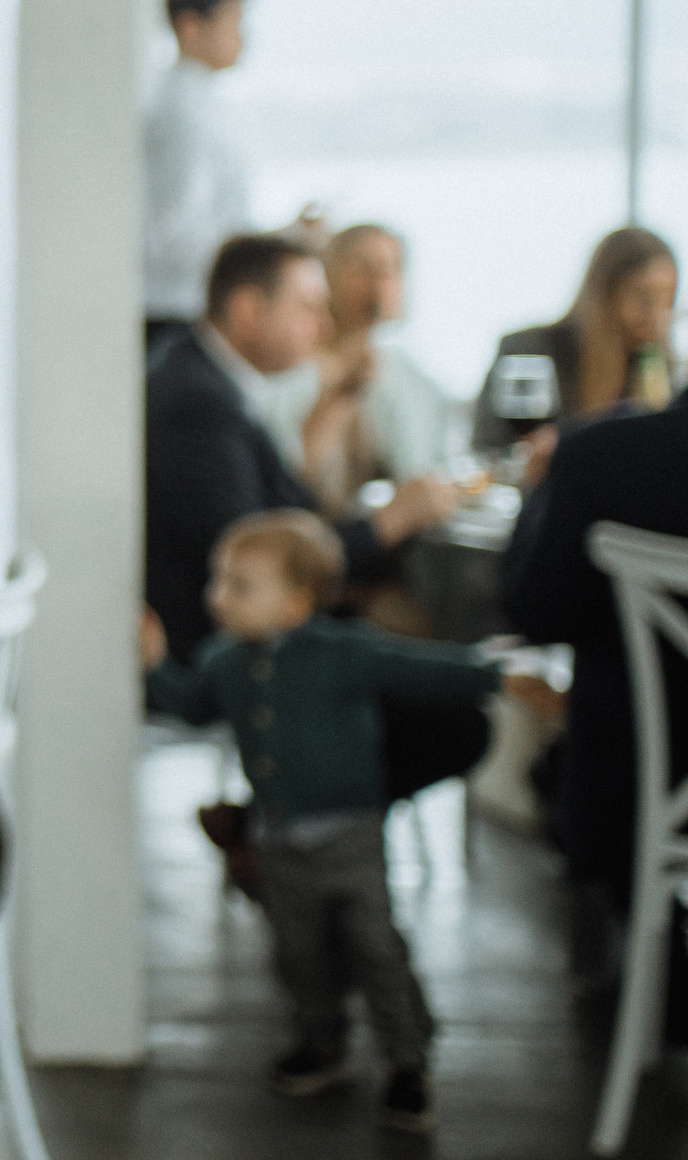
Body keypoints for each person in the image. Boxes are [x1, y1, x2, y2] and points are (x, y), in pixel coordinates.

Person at [145, 234, 486, 892]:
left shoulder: (207, 378)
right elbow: (260, 553)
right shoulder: (198, 403)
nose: (321, 326)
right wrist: (390, 522)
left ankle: (271, 824)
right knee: (455, 724)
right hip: (229, 635)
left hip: (251, 614)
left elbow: (290, 510)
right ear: (248, 310)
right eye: (306, 306)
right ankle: (301, 837)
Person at [141, 511, 501, 1133]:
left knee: (376, 947)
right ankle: (322, 1041)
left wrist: (499, 673)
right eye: (218, 580)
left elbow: (423, 669)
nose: (217, 596)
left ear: (296, 602)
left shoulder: (343, 652)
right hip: (279, 840)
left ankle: (408, 1060)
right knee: (297, 952)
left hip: (351, 836)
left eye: (239, 585)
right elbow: (193, 707)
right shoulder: (224, 661)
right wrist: (154, 664)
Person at [501, 389, 688, 997]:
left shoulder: (604, 451)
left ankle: (644, 980)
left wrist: (540, 494)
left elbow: (533, 610)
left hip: (644, 800)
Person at [258, 223, 452, 514]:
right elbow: (285, 479)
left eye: (391, 269)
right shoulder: (289, 372)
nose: (380, 282)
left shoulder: (408, 377)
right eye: (363, 268)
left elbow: (421, 470)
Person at [474, 226, 677, 454]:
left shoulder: (655, 369)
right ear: (604, 295)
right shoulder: (528, 352)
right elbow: (486, 452)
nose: (656, 317)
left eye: (667, 300)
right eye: (643, 298)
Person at [143, 0, 258, 350]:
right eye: (233, 21)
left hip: (190, 303)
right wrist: (264, 244)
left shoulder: (201, 101)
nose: (243, 37)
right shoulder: (181, 108)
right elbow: (175, 232)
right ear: (189, 25)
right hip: (177, 308)